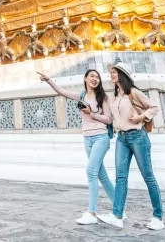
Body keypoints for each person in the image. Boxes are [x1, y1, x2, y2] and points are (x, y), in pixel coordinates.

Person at [37, 69, 118, 225]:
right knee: (102, 175)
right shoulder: (81, 96)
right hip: (87, 138)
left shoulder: (103, 97)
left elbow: (108, 119)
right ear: (85, 78)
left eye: (97, 77)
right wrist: (48, 79)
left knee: (91, 171)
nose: (95, 79)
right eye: (92, 76)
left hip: (101, 137)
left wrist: (91, 113)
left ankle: (92, 213)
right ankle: (119, 208)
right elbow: (61, 91)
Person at [97, 63, 165, 231]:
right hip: (122, 139)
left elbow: (154, 107)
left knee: (148, 177)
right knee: (121, 177)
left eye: (114, 72)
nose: (111, 75)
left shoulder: (133, 92)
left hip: (137, 137)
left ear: (122, 74)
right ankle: (117, 215)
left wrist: (141, 117)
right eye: (111, 72)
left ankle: (158, 217)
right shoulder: (116, 96)